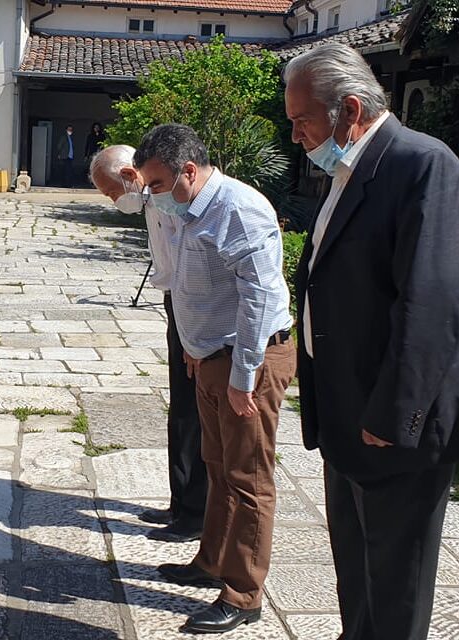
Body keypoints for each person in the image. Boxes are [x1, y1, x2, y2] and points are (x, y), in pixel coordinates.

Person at [284, 43, 459, 640]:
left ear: (349, 109)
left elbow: (433, 303)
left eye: (303, 119)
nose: (297, 133)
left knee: (396, 579)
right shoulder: (350, 168)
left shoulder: (421, 164)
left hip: (395, 422)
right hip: (348, 410)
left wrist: (394, 414)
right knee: (356, 568)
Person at [134, 124, 294, 634]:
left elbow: (261, 299)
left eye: (156, 184)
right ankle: (211, 563)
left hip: (249, 360)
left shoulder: (239, 210)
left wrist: (244, 375)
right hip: (208, 356)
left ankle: (244, 593)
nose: (151, 195)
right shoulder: (181, 204)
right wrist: (192, 349)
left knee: (247, 479)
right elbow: (185, 281)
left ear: (187, 170)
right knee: (217, 466)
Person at [88, 145, 208, 543]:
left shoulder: (173, 198)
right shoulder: (150, 200)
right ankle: (181, 502)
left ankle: (196, 515)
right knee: (180, 410)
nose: (112, 201)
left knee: (195, 414)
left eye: (110, 192)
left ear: (128, 174)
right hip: (176, 302)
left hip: (197, 308)